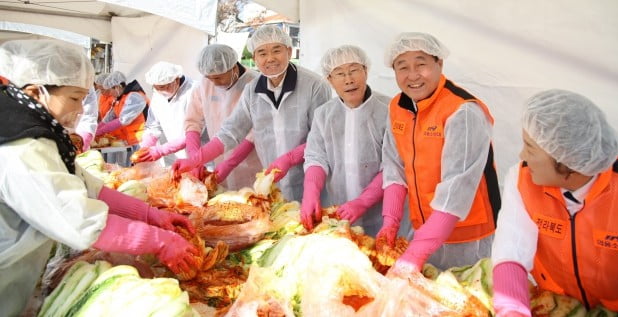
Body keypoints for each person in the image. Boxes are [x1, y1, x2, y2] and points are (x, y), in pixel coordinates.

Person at [0, 40, 198, 317]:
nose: (81, 110)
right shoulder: (22, 147)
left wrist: (153, 216)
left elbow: (90, 188)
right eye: (74, 98)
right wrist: (159, 241)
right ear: (35, 92)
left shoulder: (36, 132)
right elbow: (80, 221)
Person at [491, 90, 618, 316]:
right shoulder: (522, 178)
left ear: (565, 162)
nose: (521, 155)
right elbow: (511, 251)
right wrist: (512, 309)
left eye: (530, 148)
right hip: (557, 306)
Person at [378, 32, 501, 272]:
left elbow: (457, 187)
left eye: (421, 64)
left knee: (463, 301)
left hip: (467, 235)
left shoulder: (462, 111)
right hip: (423, 227)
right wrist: (391, 220)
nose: (412, 76)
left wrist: (418, 250)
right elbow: (394, 165)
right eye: (402, 67)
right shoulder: (397, 106)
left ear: (439, 63)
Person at [172, 25, 331, 200]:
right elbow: (230, 132)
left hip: (310, 176)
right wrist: (195, 160)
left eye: (276, 51)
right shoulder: (252, 90)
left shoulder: (315, 85)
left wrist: (290, 158)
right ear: (254, 57)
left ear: (289, 50)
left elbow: (322, 136)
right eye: (262, 53)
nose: (270, 59)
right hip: (271, 179)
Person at [300, 45, 392, 236]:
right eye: (340, 73)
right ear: (330, 80)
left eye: (353, 70)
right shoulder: (324, 114)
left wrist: (363, 201)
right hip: (339, 213)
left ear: (365, 71)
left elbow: (394, 165)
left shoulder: (390, 110)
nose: (348, 79)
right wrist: (311, 192)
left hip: (382, 216)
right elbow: (316, 157)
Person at [178, 44, 263, 189]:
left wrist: (230, 163)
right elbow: (193, 122)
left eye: (218, 77)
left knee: (253, 199)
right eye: (209, 78)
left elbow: (254, 132)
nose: (214, 83)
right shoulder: (204, 85)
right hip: (218, 155)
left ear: (233, 67)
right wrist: (195, 159)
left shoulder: (256, 84)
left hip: (253, 163)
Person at [132, 61, 196, 166]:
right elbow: (153, 126)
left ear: (176, 80)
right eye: (155, 88)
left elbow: (194, 132)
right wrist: (145, 147)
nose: (159, 91)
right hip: (177, 158)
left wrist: (161, 150)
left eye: (162, 87)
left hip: (203, 156)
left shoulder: (194, 91)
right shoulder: (158, 95)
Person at [96, 71, 149, 148]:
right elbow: (109, 117)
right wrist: (97, 129)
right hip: (130, 139)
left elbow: (123, 120)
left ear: (117, 87)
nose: (110, 93)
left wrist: (101, 131)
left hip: (141, 139)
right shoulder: (119, 98)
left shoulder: (134, 97)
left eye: (110, 90)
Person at [76, 73, 109, 152]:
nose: (101, 91)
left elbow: (114, 117)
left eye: (102, 88)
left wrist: (100, 129)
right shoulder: (100, 95)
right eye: (99, 88)